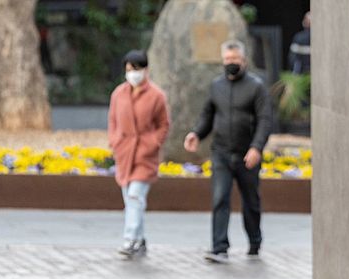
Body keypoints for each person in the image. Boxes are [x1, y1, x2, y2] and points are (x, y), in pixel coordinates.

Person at [184, 40, 272, 263]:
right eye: (227, 59)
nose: (230, 63)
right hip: (221, 153)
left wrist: (256, 147)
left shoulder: (256, 87)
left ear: (243, 60)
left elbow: (265, 120)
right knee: (220, 198)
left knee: (251, 201)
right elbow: (207, 115)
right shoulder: (216, 86)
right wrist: (196, 133)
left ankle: (254, 242)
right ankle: (219, 247)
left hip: (247, 155)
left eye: (234, 59)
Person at [108, 50, 170, 258]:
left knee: (135, 197)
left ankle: (130, 240)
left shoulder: (156, 96)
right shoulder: (119, 94)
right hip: (125, 153)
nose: (132, 74)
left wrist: (152, 143)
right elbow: (113, 121)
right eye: (128, 70)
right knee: (131, 200)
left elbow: (163, 125)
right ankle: (140, 239)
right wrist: (115, 142)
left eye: (136, 69)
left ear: (145, 70)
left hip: (145, 155)